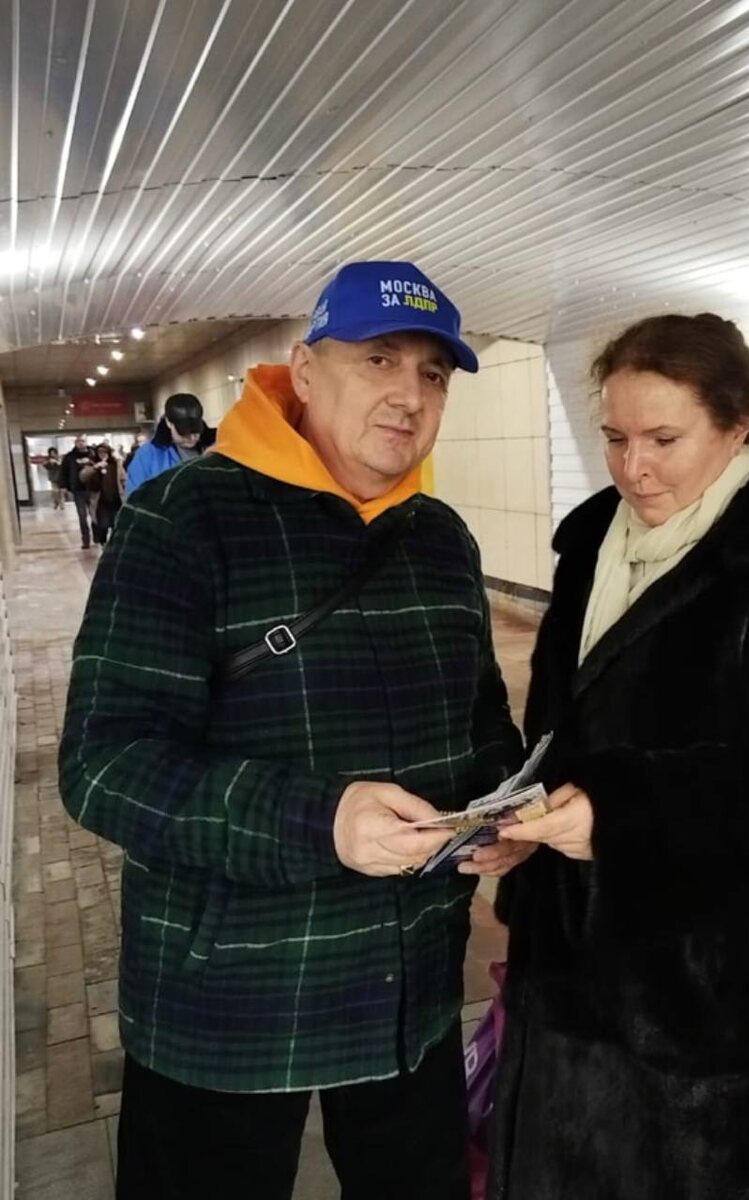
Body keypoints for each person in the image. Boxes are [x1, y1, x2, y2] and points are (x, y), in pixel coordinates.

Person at [59, 261, 526, 1200]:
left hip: (406, 989)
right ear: (305, 373)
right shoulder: (181, 520)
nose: (410, 395)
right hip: (226, 995)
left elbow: (478, 716)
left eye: (433, 373)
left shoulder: (439, 538)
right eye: (379, 359)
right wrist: (321, 820)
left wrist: (501, 805)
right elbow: (106, 763)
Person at [486, 313, 749, 1200]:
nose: (633, 467)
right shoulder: (591, 546)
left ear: (737, 425)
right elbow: (562, 730)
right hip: (579, 982)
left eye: (664, 439)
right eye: (615, 437)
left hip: (732, 1006)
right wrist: (522, 825)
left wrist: (622, 812)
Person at [124, 393, 216, 495]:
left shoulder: (217, 449)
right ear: (168, 423)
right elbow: (134, 498)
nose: (192, 437)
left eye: (196, 431)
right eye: (184, 432)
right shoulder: (147, 456)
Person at [59, 434, 96, 547]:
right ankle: (85, 539)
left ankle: (97, 536)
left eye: (83, 441)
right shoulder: (69, 457)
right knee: (82, 516)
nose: (81, 443)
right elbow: (64, 472)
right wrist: (64, 486)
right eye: (78, 441)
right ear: (75, 443)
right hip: (78, 490)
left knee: (95, 515)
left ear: (87, 442)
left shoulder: (94, 454)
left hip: (93, 489)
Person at [82, 443, 122, 545]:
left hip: (116, 498)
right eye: (100, 452)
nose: (102, 454)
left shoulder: (115, 464)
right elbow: (83, 476)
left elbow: (123, 477)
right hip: (100, 500)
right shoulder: (92, 464)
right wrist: (95, 467)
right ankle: (103, 543)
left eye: (105, 452)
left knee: (116, 524)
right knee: (102, 524)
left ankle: (113, 545)